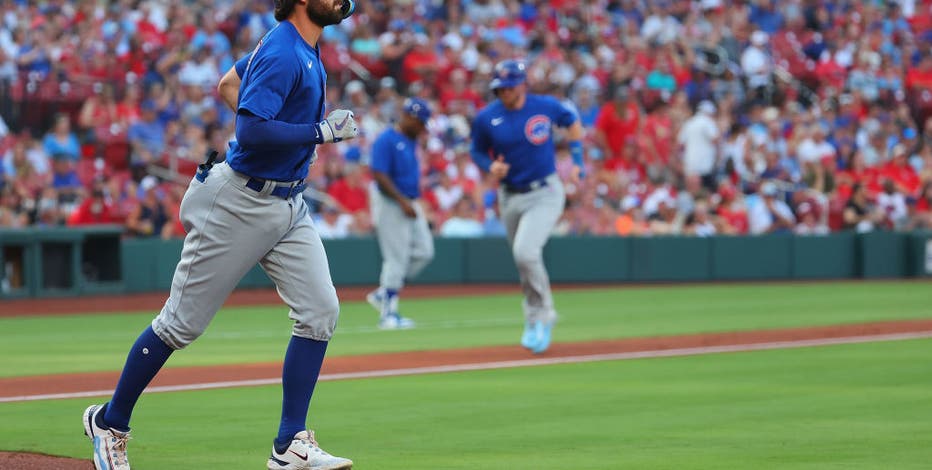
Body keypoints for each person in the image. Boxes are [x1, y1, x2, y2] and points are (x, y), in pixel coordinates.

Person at [82, 1, 358, 470]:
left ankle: (290, 443)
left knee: (319, 311)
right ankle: (111, 422)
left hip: (288, 203)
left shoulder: (300, 47)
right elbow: (250, 131)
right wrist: (318, 133)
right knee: (179, 325)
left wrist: (292, 135)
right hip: (239, 202)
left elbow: (229, 85)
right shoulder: (286, 52)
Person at [470, 59, 584, 354]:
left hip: (545, 190)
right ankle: (534, 319)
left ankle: (544, 315)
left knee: (525, 252)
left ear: (522, 84)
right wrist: (489, 165)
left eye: (509, 86)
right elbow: (477, 150)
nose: (504, 92)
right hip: (510, 195)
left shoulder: (543, 105)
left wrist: (578, 162)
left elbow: (571, 122)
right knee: (524, 262)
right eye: (500, 88)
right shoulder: (487, 117)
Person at [366, 97, 434, 329]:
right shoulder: (387, 138)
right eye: (421, 122)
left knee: (424, 251)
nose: (423, 128)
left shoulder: (410, 139)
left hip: (409, 201)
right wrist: (402, 201)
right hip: (390, 202)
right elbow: (379, 174)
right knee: (395, 258)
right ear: (409, 117)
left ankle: (384, 292)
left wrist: (411, 201)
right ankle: (388, 315)